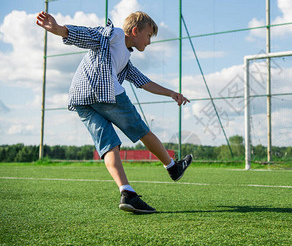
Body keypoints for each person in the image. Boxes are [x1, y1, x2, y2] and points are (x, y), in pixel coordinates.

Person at [36, 11, 192, 214]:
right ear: (135, 31)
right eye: (148, 36)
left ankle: (127, 193)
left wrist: (171, 93)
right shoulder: (115, 35)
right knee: (141, 130)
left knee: (109, 143)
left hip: (81, 99)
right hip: (103, 93)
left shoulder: (124, 59)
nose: (150, 42)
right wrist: (59, 30)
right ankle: (172, 167)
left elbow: (142, 81)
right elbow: (89, 34)